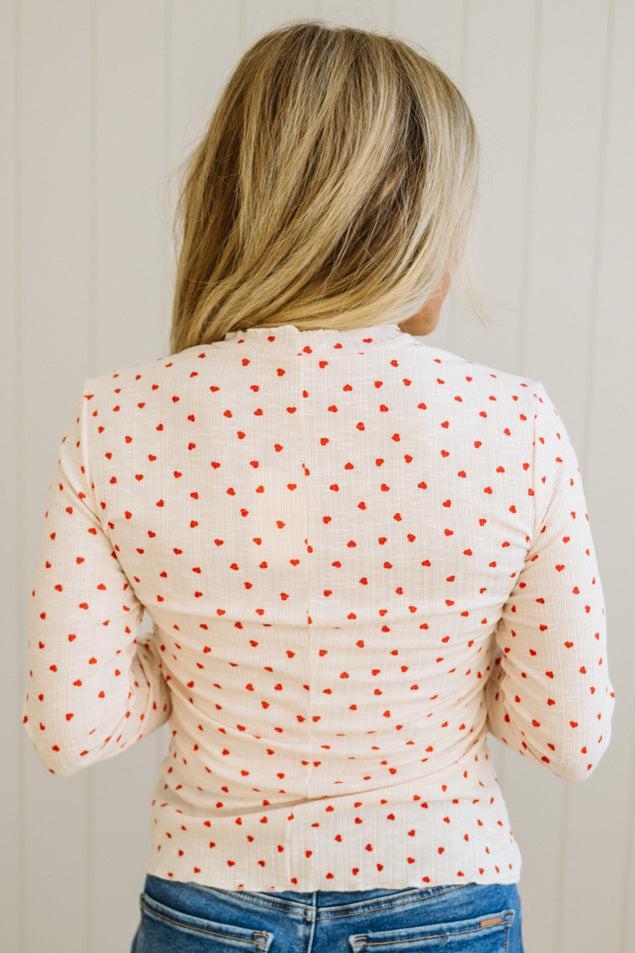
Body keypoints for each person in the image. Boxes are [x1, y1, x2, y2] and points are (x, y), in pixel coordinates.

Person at [20, 20, 615, 953]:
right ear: (419, 222)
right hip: (444, 890)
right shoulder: (511, 423)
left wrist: (205, 656)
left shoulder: (120, 416)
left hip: (208, 896)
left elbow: (72, 727)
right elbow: (566, 737)